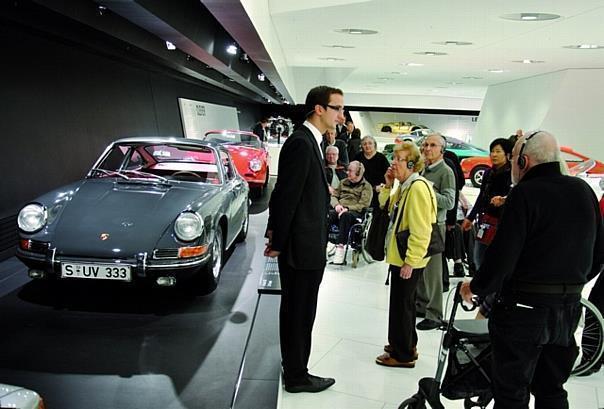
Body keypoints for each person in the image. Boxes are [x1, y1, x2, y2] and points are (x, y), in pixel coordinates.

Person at [460, 130, 603, 409]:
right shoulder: (583, 191)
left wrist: (475, 287)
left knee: (511, 390)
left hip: (523, 310)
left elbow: (502, 257)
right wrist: (570, 284)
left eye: (513, 159)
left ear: (523, 161)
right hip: (567, 309)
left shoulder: (524, 193)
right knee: (552, 389)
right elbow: (597, 254)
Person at [265, 85, 345, 394]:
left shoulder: (311, 141)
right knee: (299, 311)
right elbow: (286, 197)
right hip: (301, 248)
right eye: (337, 108)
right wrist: (278, 241)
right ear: (319, 109)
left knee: (300, 310)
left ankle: (296, 367)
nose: (342, 115)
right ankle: (297, 375)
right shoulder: (301, 142)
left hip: (306, 243)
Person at [375, 142, 437, 368]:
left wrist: (410, 261)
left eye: (399, 159)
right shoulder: (406, 185)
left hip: (408, 258)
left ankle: (402, 355)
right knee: (404, 304)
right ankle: (406, 344)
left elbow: (422, 229)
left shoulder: (418, 187)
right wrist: (388, 185)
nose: (394, 163)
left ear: (411, 163)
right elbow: (385, 206)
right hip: (402, 256)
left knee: (402, 307)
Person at [415, 133, 456, 331]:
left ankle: (435, 313)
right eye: (425, 144)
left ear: (442, 149)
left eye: (432, 145)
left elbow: (449, 201)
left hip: (434, 226)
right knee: (421, 269)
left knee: (433, 273)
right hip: (420, 224)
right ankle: (422, 305)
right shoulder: (423, 169)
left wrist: (428, 192)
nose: (427, 148)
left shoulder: (445, 172)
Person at [461, 138, 513, 270]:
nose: (494, 154)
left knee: (497, 262)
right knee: (479, 258)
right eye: (492, 151)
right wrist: (470, 217)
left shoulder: (512, 174)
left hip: (503, 224)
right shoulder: (488, 173)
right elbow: (481, 196)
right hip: (485, 221)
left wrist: (503, 199)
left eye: (498, 151)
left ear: (507, 154)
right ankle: (483, 288)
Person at [328, 160, 373, 264]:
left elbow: (363, 205)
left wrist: (347, 208)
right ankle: (322, 244)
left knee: (345, 216)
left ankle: (340, 249)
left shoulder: (366, 187)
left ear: (358, 173)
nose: (347, 172)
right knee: (328, 215)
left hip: (354, 212)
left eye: (350, 171)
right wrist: (337, 205)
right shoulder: (343, 182)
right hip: (339, 208)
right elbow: (334, 196)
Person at [353, 135, 390, 209]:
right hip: (360, 191)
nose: (367, 146)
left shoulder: (382, 158)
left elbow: (389, 176)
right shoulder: (358, 157)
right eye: (365, 144)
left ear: (374, 145)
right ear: (362, 146)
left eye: (370, 143)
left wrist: (382, 187)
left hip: (377, 191)